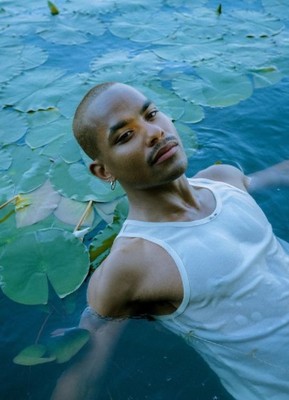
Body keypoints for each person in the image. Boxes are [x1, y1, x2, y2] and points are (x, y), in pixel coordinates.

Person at [52, 82, 289, 400]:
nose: (153, 133)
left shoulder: (226, 181)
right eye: (125, 136)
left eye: (151, 114)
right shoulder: (132, 264)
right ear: (103, 171)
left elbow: (277, 174)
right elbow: (82, 379)